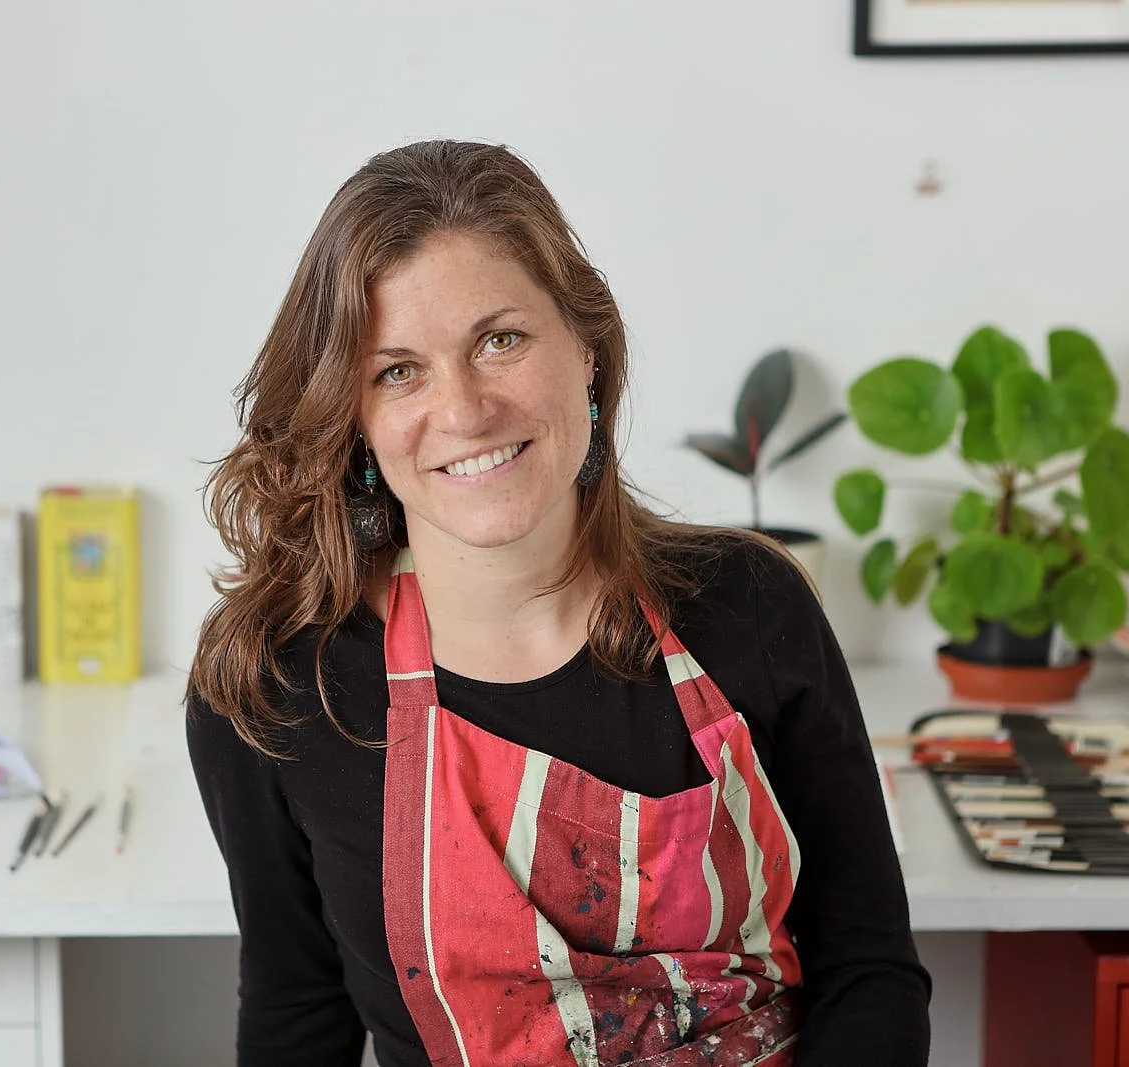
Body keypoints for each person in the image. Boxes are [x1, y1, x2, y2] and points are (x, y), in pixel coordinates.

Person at [187, 139, 931, 1067]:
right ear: (356, 419)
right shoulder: (278, 691)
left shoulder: (749, 605)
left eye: (499, 340)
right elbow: (297, 1021)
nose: (465, 410)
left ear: (587, 350)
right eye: (398, 370)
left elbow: (868, 969)